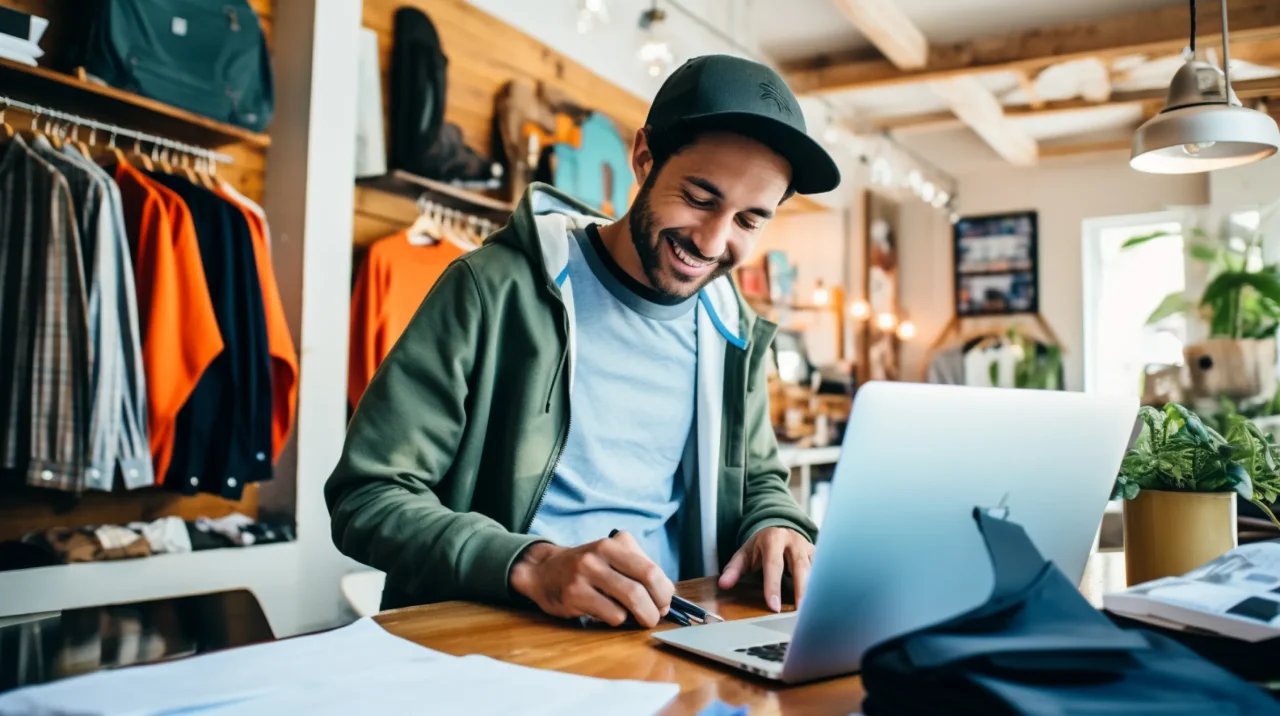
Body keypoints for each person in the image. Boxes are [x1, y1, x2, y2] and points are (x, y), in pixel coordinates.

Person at [326, 55, 841, 627]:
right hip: (498, 644)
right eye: (699, 198)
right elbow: (367, 497)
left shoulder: (731, 327)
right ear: (644, 158)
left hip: (670, 647)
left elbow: (758, 480)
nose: (714, 241)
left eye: (749, 220)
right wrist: (531, 564)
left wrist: (779, 524)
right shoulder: (491, 287)